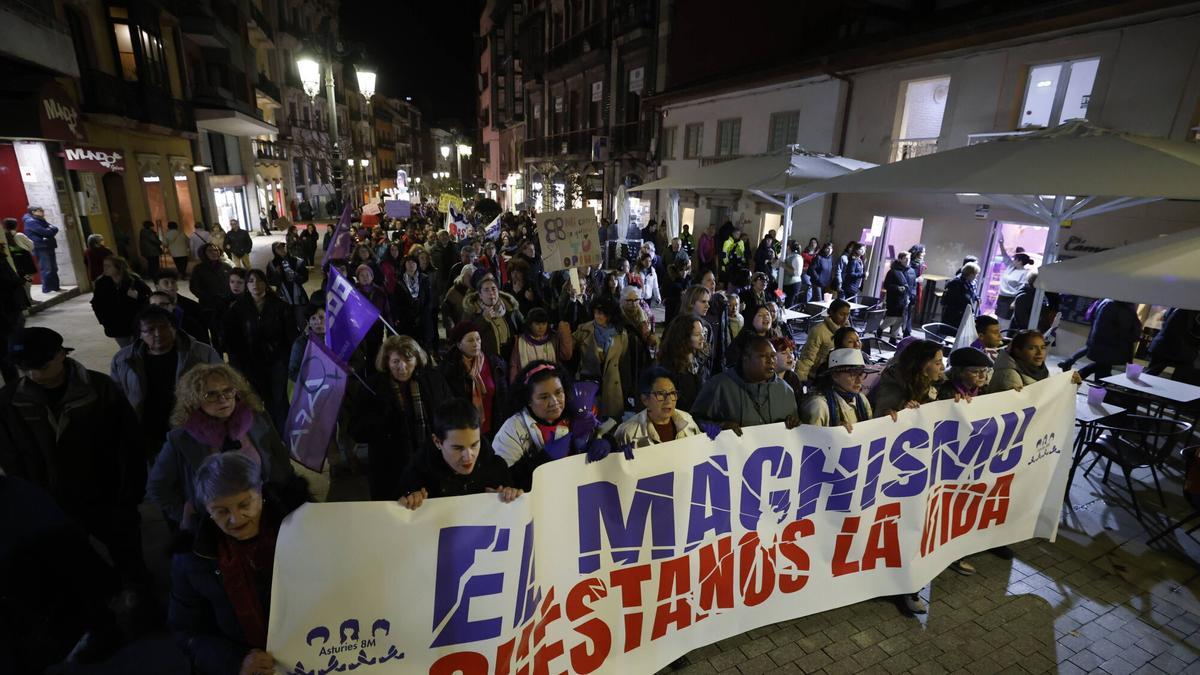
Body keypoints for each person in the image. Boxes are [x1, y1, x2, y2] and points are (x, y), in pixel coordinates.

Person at [0, 327, 148, 586]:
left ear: (61, 354)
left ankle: (139, 593)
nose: (33, 375)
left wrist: (130, 490)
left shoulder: (99, 388)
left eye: (40, 366)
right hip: (49, 499)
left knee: (127, 553)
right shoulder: (9, 401)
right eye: (24, 369)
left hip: (106, 493)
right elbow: (9, 454)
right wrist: (31, 495)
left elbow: (129, 443)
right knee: (71, 564)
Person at [168, 452, 308, 675]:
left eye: (245, 504)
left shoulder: (305, 527)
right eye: (221, 511)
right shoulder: (192, 559)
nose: (236, 519)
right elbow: (186, 631)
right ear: (207, 509)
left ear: (260, 492)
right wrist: (235, 661)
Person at [147, 363, 296, 530]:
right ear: (194, 399)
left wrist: (288, 497)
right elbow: (157, 487)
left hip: (267, 514)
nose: (222, 399)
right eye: (211, 394)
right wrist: (187, 515)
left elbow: (282, 461)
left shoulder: (257, 418)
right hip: (216, 525)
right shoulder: (181, 439)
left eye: (228, 391)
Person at [111, 305, 222, 460]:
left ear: (174, 328)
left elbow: (223, 386)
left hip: (194, 429)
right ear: (140, 334)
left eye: (163, 327)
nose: (157, 334)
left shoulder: (202, 353)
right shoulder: (123, 360)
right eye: (150, 330)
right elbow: (118, 396)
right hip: (147, 432)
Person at [354, 336, 453, 501]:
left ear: (417, 359)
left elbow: (450, 414)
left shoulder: (433, 380)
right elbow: (357, 431)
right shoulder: (372, 387)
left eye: (408, 360)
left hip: (429, 464)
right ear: (387, 362)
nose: (402, 367)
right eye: (396, 361)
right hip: (389, 470)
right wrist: (382, 414)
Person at [493, 361, 610, 490]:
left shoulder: (576, 413)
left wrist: (606, 443)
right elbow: (503, 480)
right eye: (544, 397)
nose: (554, 402)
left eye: (559, 392)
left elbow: (603, 436)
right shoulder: (513, 428)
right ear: (528, 401)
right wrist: (545, 458)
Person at [397, 398, 522, 508]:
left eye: (474, 445)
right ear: (437, 442)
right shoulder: (416, 476)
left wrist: (509, 497)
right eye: (458, 448)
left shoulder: (496, 468)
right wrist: (409, 501)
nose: (468, 456)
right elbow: (397, 513)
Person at [220, 269, 296, 430]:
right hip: (252, 364)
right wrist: (238, 366)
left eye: (259, 280)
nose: (256, 285)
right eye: (251, 281)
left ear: (266, 284)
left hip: (277, 362)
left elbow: (291, 336)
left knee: (279, 399)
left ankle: (284, 433)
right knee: (260, 400)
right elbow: (231, 340)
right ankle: (268, 433)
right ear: (247, 285)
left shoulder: (281, 306)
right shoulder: (238, 309)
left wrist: (289, 360)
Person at [692, 335, 800, 434]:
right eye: (763, 356)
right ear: (745, 359)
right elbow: (695, 423)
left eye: (773, 356)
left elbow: (796, 432)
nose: (770, 361)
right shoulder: (718, 386)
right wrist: (719, 427)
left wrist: (794, 423)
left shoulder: (785, 391)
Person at [441, 321, 508, 438]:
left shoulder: (494, 363)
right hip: (466, 429)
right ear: (459, 344)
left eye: (478, 339)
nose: (476, 344)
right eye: (470, 340)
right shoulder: (450, 369)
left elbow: (503, 395)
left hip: (495, 427)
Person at [570, 297, 633, 419]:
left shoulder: (621, 334)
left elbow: (624, 362)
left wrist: (626, 388)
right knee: (588, 418)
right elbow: (568, 349)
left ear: (610, 315)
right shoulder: (584, 330)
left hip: (611, 385)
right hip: (588, 382)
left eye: (603, 314)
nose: (598, 316)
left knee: (610, 422)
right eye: (596, 313)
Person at [613, 367, 704, 449]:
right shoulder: (627, 432)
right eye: (660, 394)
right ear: (645, 399)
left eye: (672, 393)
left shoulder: (687, 420)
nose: (668, 401)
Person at [801, 348, 879, 431]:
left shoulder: (862, 399)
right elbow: (810, 437)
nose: (859, 380)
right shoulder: (819, 406)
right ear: (835, 375)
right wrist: (834, 431)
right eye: (853, 374)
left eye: (861, 374)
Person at [987, 329, 1082, 393]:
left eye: (1043, 347)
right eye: (1032, 348)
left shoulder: (1039, 369)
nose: (1040, 353)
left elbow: (1049, 394)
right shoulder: (1009, 374)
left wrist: (1071, 384)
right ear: (1018, 351)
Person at [870, 339, 944, 417]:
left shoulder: (938, 381)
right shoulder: (894, 378)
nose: (943, 367)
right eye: (938, 363)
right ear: (922, 365)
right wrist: (902, 410)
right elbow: (884, 411)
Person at [90, 255, 151, 347]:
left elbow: (149, 297)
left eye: (108, 266)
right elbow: (96, 303)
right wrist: (103, 320)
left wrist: (137, 296)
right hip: (116, 324)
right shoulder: (101, 283)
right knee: (126, 348)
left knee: (141, 347)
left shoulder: (133, 280)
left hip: (135, 322)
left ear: (119, 267)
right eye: (104, 265)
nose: (105, 268)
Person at [1074, 299, 1142, 381]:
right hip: (1110, 345)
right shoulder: (1117, 306)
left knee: (1101, 368)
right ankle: (1073, 381)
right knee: (1102, 371)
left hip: (1107, 344)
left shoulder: (1110, 303)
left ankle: (1073, 380)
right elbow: (1123, 329)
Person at [463, 274, 523, 360]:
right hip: (487, 358)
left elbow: (523, 326)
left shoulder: (510, 307)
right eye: (486, 290)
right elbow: (466, 334)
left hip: (512, 356)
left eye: (493, 289)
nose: (491, 293)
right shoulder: (471, 311)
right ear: (480, 295)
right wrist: (483, 319)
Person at [656, 315, 707, 411]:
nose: (702, 338)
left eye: (702, 333)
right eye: (697, 335)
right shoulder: (670, 367)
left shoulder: (699, 359)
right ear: (684, 338)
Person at [795, 298, 852, 382]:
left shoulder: (848, 331)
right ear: (831, 312)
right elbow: (807, 357)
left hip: (838, 375)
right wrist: (800, 381)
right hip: (818, 376)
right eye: (841, 314)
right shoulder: (818, 331)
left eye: (847, 315)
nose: (845, 318)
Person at [155, 269, 210, 344]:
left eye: (173, 282)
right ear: (157, 287)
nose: (171, 286)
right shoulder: (151, 306)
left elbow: (203, 335)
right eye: (166, 283)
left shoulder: (193, 307)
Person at [392, 254, 436, 347]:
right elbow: (396, 301)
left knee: (423, 345)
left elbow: (429, 298)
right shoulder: (399, 281)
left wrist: (425, 313)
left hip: (423, 318)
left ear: (417, 264)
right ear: (405, 264)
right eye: (408, 262)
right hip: (406, 320)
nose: (411, 265)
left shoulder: (424, 279)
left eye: (413, 262)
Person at [191, 244, 233, 340]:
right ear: (203, 253)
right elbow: (194, 288)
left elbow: (233, 284)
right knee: (215, 332)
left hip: (226, 304)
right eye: (210, 250)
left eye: (216, 250)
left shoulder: (226, 266)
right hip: (209, 306)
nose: (214, 252)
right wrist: (210, 298)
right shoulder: (198, 269)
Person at [509, 307, 562, 382]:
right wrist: (514, 385)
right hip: (528, 384)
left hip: (550, 382)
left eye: (544, 324)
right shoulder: (520, 341)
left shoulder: (553, 340)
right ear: (530, 325)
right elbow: (514, 366)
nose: (541, 327)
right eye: (537, 324)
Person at [1146, 309, 1200, 383]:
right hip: (1177, 349)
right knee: (1182, 378)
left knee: (1150, 373)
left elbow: (1167, 322)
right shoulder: (1191, 311)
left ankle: (1136, 387)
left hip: (1164, 346)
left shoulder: (1179, 308)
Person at [265, 241, 310, 326]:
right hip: (283, 297)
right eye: (279, 248)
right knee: (287, 323)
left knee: (302, 322)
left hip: (298, 297)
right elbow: (270, 281)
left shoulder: (297, 261)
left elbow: (305, 277)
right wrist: (277, 274)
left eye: (283, 246)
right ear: (274, 251)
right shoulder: (272, 265)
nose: (282, 249)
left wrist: (295, 275)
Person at [23, 206, 61, 293]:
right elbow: (46, 232)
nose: (43, 212)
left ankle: (55, 287)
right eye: (40, 210)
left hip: (48, 245)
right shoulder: (30, 221)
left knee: (54, 268)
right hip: (41, 247)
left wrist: (49, 230)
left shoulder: (41, 220)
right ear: (33, 212)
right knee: (47, 268)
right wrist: (49, 230)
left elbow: (55, 228)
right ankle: (46, 288)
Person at [995, 234, 1033, 320]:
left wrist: (1015, 302)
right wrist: (1001, 243)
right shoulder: (1010, 266)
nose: (1013, 260)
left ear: (1020, 261)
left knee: (1005, 321)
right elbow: (1004, 255)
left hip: (1010, 299)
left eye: (1015, 259)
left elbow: (1021, 289)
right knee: (998, 319)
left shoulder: (1024, 273)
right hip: (1002, 297)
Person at [288, 305, 325, 382]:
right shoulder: (301, 344)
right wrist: (312, 379)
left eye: (321, 317)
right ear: (308, 322)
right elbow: (292, 372)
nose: (318, 322)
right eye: (313, 318)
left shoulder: (336, 339)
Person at [941, 262, 980, 330]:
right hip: (954, 313)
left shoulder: (972, 282)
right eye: (975, 274)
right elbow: (951, 300)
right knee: (951, 331)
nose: (976, 276)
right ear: (970, 273)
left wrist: (976, 297)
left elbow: (972, 293)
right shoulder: (956, 283)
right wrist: (967, 300)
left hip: (964, 312)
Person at [770, 336, 805, 412]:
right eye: (783, 353)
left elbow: (799, 404)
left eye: (791, 352)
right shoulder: (765, 379)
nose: (790, 356)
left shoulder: (793, 378)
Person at [881, 252, 911, 341]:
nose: (908, 260)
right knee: (892, 318)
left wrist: (909, 296)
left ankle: (893, 338)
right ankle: (880, 329)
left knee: (900, 319)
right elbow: (886, 285)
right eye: (905, 258)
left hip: (904, 299)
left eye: (909, 258)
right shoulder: (892, 271)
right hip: (894, 299)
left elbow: (910, 285)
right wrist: (897, 288)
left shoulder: (908, 271)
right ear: (900, 259)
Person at [441, 264, 476, 332]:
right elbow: (446, 310)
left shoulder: (475, 291)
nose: (471, 278)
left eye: (473, 276)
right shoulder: (453, 292)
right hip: (459, 328)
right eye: (469, 276)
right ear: (462, 276)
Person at [782, 240, 804, 306]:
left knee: (789, 304)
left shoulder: (797, 257)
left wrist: (785, 266)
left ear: (788, 247)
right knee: (778, 294)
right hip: (784, 284)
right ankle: (782, 301)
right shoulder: (787, 256)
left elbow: (797, 273)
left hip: (792, 285)